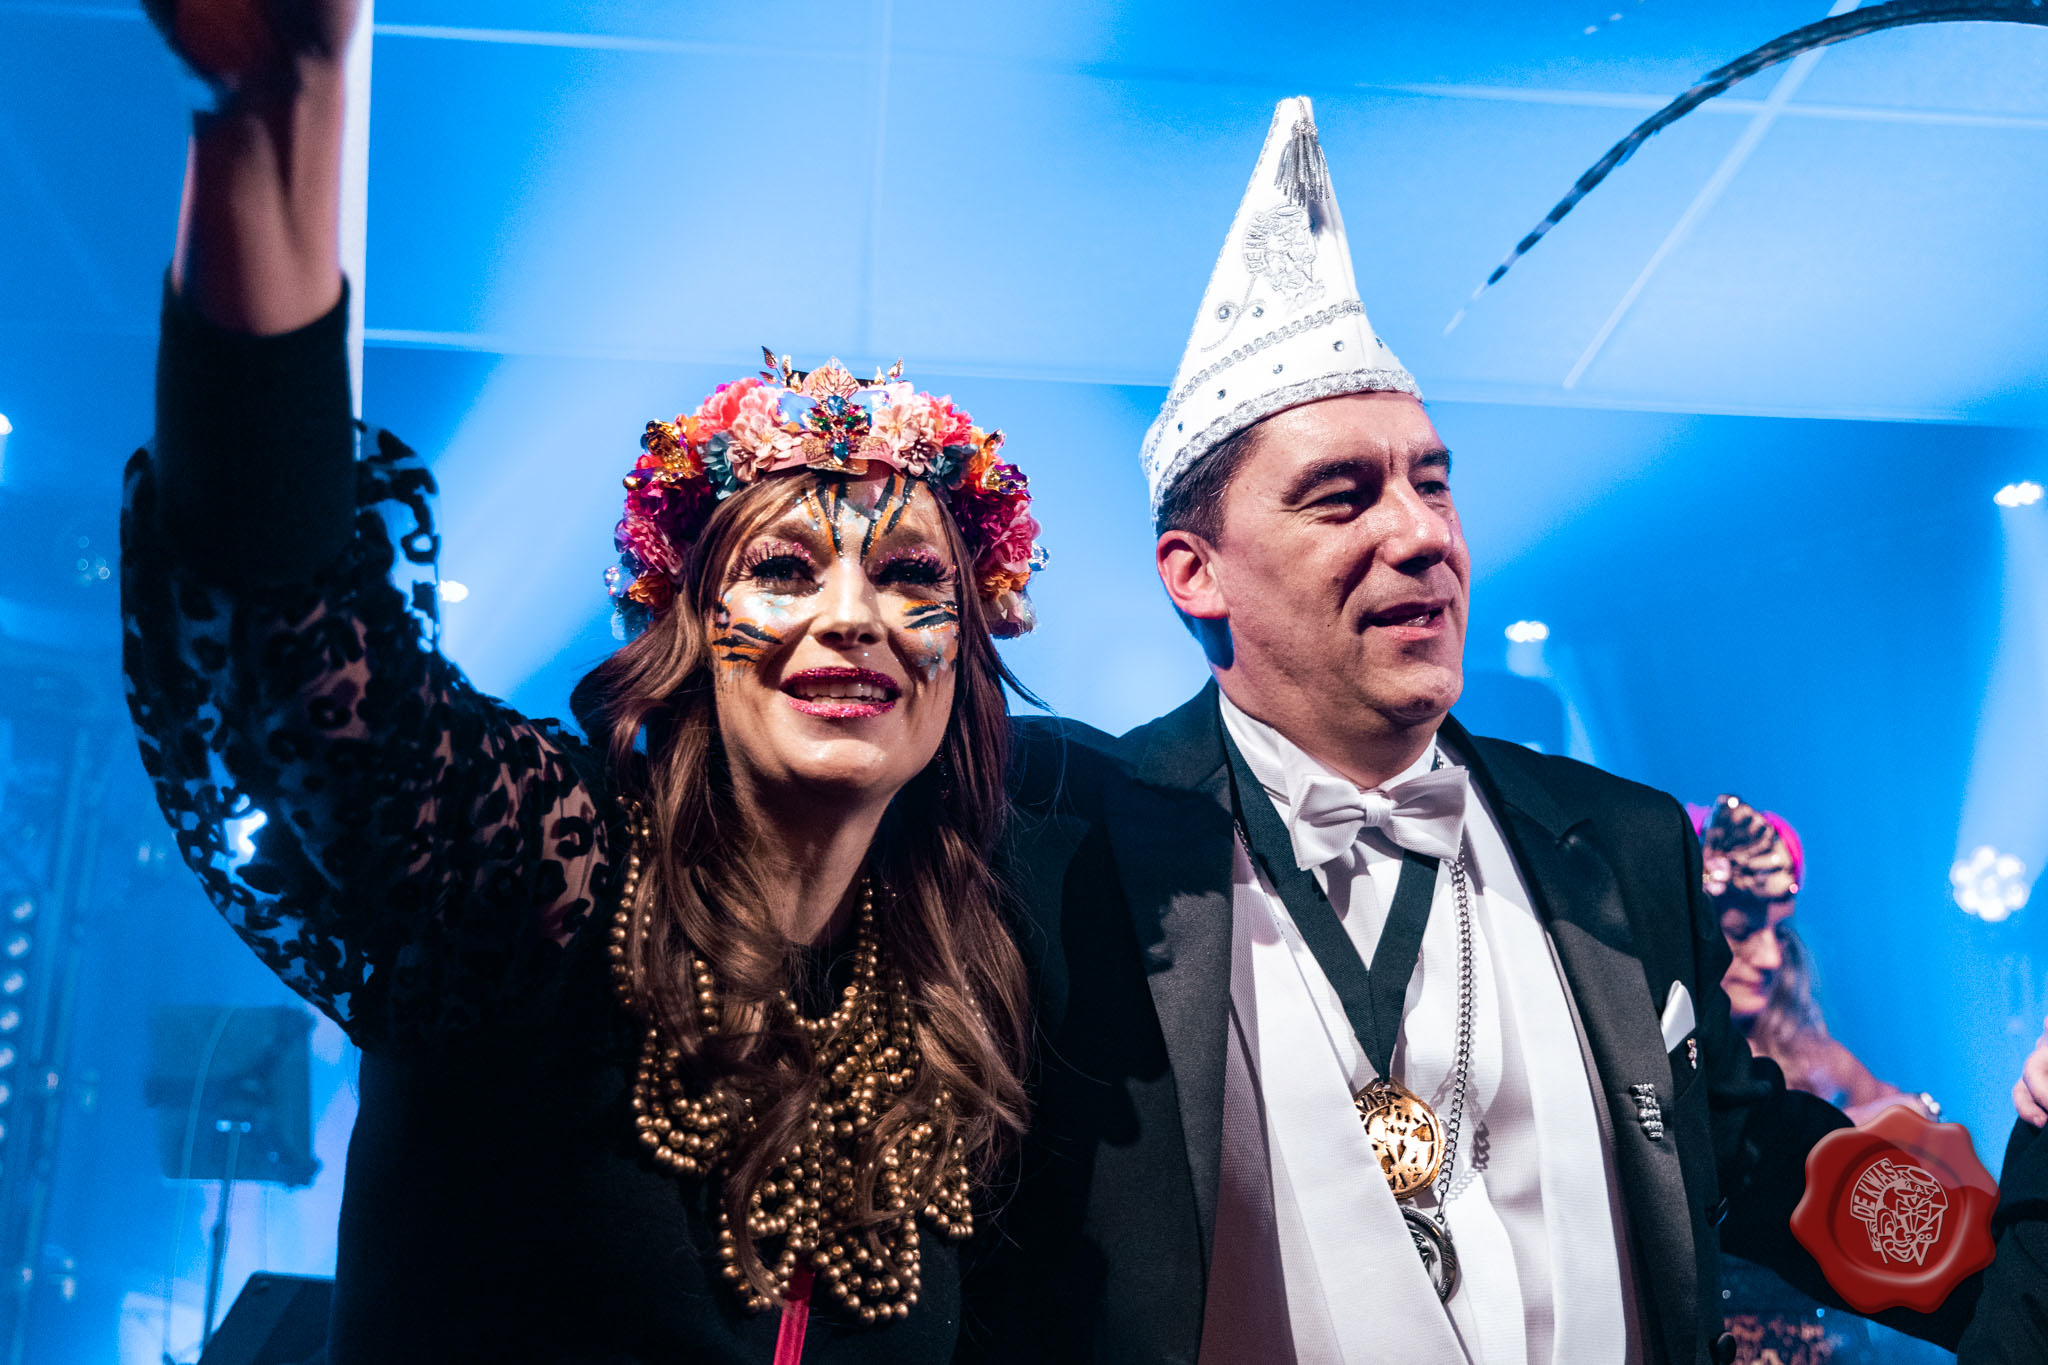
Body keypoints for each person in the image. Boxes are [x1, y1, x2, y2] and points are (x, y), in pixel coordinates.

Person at [961, 96, 2048, 1364]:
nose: (1421, 532)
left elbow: (1752, 1157)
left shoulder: (1618, 845)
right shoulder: (1065, 843)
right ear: (1194, 573)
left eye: (1432, 483)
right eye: (1341, 497)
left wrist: (2032, 1175)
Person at [125, 2, 1047, 1360]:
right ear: (685, 628)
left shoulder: (952, 977)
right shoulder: (548, 879)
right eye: (784, 569)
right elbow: (306, 657)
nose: (853, 617)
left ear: (967, 647)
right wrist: (281, 111)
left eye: (910, 577)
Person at [1692, 795, 1932, 1126]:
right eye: (1741, 931)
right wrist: (1838, 1132)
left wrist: (1913, 1111)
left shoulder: (1812, 1058)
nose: (1772, 959)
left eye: (1780, 933)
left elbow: (1903, 1113)